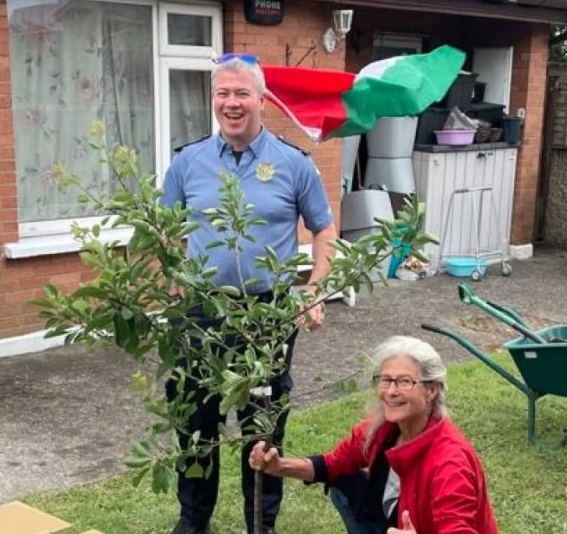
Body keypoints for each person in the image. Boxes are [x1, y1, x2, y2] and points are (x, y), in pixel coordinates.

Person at [160, 53, 338, 534]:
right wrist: (173, 274)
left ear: (262, 100)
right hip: (201, 312)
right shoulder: (187, 162)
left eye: (241, 93)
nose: (231, 103)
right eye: (223, 93)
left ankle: (261, 524)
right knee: (195, 417)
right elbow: (166, 229)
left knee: (263, 419)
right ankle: (193, 522)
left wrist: (316, 289)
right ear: (213, 99)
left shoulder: (293, 163)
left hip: (267, 314)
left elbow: (323, 229)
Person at [248, 336, 499, 534]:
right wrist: (279, 466)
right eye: (385, 380)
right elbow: (333, 464)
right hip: (394, 521)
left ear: (431, 390)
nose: (390, 391)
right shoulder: (381, 429)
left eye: (404, 382)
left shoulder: (449, 463)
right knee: (343, 481)